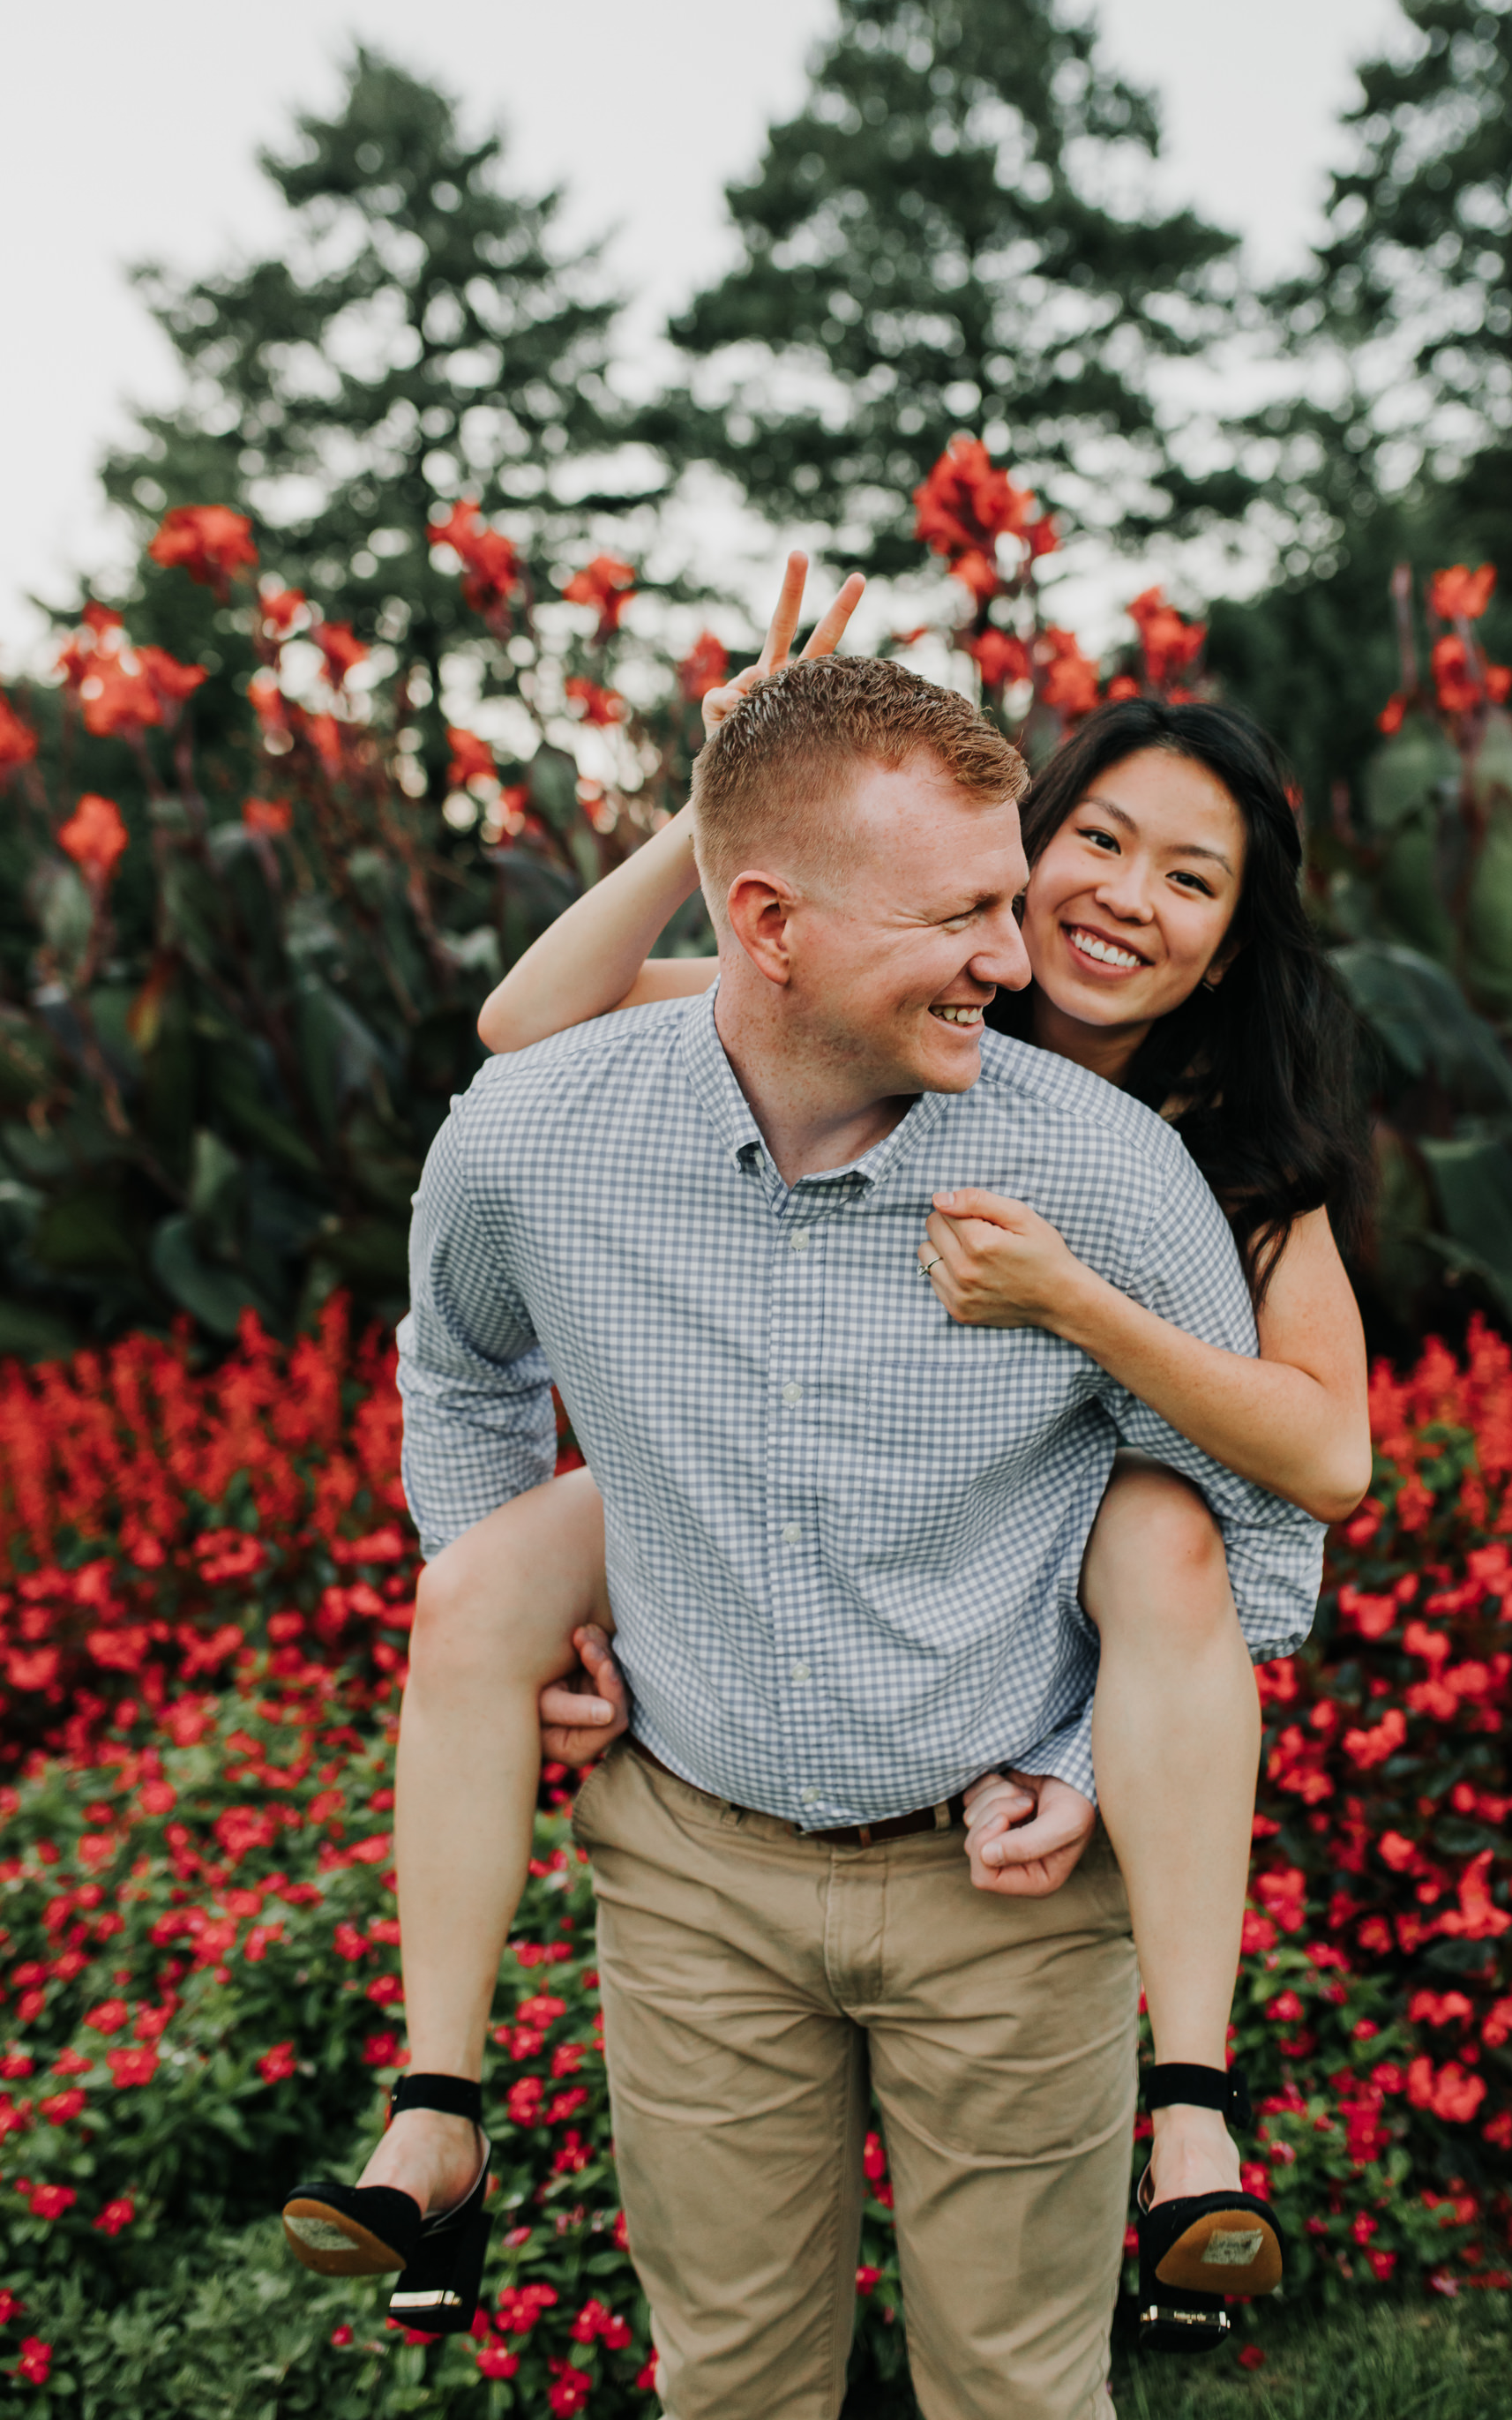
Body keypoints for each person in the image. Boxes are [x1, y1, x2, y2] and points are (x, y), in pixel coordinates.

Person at [281, 595, 1362, 2412]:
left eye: (1188, 882)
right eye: (1019, 886)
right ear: (769, 925)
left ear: (1233, 947)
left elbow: (1303, 1483)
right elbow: (517, 1094)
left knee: (1168, 1529)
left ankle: (1197, 2106)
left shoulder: (1165, 1167)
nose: (1039, 944)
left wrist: (1089, 1754)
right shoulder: (575, 1109)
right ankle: (433, 2110)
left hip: (1005, 1807)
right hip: (702, 1829)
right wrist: (734, 774)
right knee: (479, 1597)